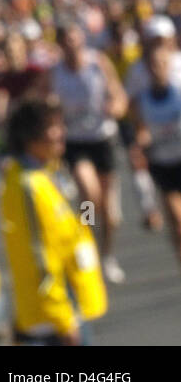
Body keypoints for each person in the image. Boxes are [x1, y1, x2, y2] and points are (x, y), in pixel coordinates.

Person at [0, 97, 107, 346]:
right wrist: (63, 318)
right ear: (31, 136)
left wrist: (88, 201)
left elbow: (79, 229)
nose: (61, 133)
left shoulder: (52, 171)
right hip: (53, 317)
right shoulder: (25, 186)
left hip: (71, 302)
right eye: (53, 127)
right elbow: (36, 256)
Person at [51, 18, 128, 283]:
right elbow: (45, 100)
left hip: (102, 138)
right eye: (66, 41)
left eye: (75, 39)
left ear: (81, 39)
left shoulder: (98, 63)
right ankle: (87, 239)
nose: (72, 45)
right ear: (60, 45)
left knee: (109, 211)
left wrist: (115, 107)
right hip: (76, 141)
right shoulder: (55, 72)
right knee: (88, 192)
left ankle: (107, 254)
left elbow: (118, 95)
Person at [131, 42, 181, 269]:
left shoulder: (178, 92)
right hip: (163, 163)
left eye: (162, 63)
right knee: (177, 221)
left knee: (96, 202)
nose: (158, 68)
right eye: (153, 64)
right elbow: (141, 132)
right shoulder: (142, 100)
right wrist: (141, 143)